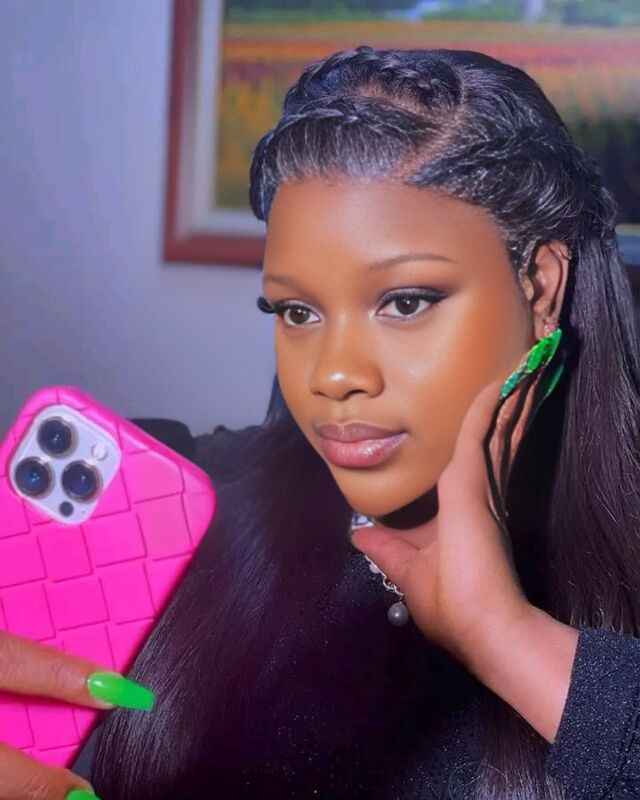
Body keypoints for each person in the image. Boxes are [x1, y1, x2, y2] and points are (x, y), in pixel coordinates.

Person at [1, 46, 639, 800]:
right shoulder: (181, 514)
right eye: (297, 312)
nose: (332, 375)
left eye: (405, 302)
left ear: (541, 286)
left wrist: (505, 637)